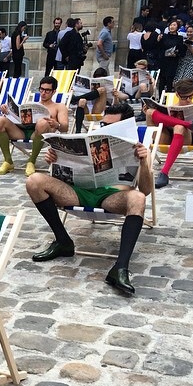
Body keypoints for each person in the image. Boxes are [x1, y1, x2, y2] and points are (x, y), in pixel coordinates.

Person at [26, 102, 151, 295]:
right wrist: (54, 159)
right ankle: (63, 241)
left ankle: (120, 267)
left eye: (111, 127)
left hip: (111, 196)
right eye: (104, 125)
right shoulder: (91, 139)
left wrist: (143, 162)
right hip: (79, 192)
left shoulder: (138, 148)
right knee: (34, 181)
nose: (105, 129)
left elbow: (146, 190)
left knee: (138, 198)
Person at [0, 75, 69, 176]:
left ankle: (31, 161)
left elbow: (65, 127)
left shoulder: (59, 106)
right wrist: (7, 112)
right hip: (22, 132)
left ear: (54, 91)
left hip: (41, 136)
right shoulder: (31, 104)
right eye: (41, 89)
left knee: (42, 123)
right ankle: (8, 161)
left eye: (47, 90)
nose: (43, 93)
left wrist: (57, 124)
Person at [144, 79, 193, 188]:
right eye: (184, 97)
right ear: (177, 94)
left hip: (186, 139)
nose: (188, 100)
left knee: (179, 127)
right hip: (167, 138)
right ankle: (187, 124)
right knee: (149, 112)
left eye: (191, 96)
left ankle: (164, 173)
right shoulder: (169, 107)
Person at [70, 68, 110, 133]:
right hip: (86, 110)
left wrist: (116, 95)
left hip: (97, 110)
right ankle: (78, 131)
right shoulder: (91, 86)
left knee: (102, 89)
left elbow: (124, 96)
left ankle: (76, 98)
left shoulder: (107, 88)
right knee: (81, 100)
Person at [157, 19, 186, 96]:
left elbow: (181, 51)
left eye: (174, 25)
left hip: (173, 61)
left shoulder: (179, 38)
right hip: (163, 61)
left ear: (177, 27)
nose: (172, 27)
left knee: (170, 80)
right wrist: (158, 40)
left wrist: (176, 53)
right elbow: (159, 48)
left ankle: (168, 97)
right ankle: (160, 97)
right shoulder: (164, 36)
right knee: (162, 80)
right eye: (171, 25)